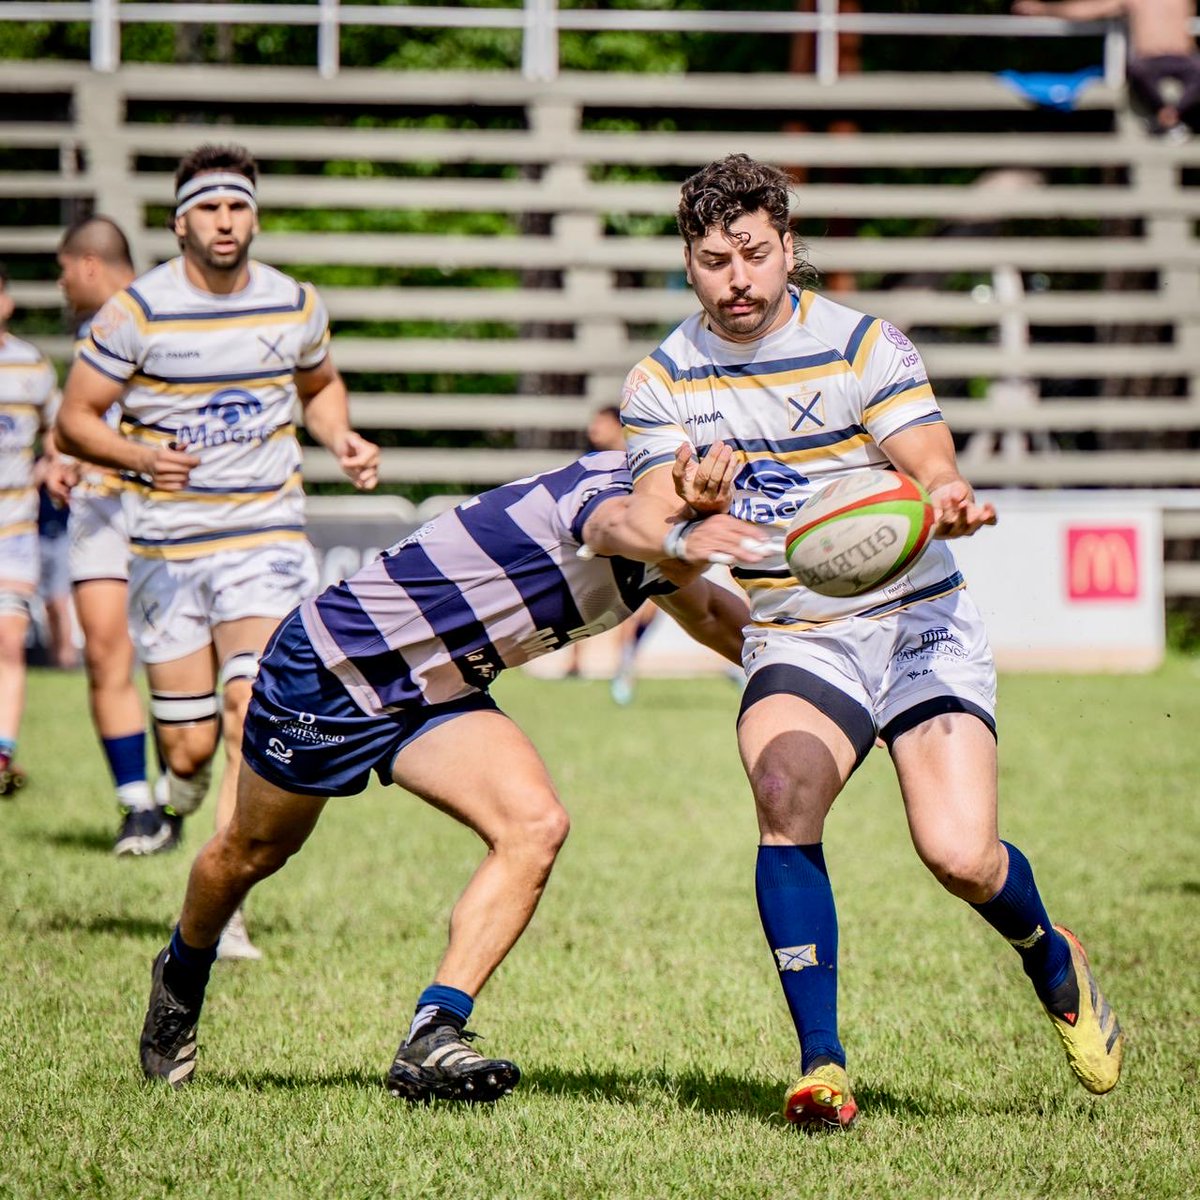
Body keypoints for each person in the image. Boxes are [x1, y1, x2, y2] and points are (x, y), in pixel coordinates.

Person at [621, 154, 1124, 1129]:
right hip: (799, 629)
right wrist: (683, 497)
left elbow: (927, 456)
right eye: (715, 260)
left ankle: (1051, 955)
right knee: (782, 789)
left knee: (960, 857)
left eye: (755, 254)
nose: (737, 279)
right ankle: (823, 1064)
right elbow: (646, 515)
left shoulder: (861, 343)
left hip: (918, 618)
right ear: (688, 263)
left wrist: (944, 489)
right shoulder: (663, 380)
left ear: (788, 247)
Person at [135, 448, 768, 1096]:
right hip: (338, 667)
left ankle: (433, 1035)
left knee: (535, 825)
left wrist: (810, 669)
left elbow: (716, 617)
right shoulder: (613, 490)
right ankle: (182, 971)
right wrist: (683, 537)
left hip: (439, 690)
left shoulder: (673, 533)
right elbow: (613, 527)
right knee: (253, 851)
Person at [56, 145, 380, 956]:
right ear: (180, 223)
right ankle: (181, 782)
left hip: (264, 538)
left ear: (255, 218)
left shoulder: (294, 303)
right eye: (209, 208)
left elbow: (319, 386)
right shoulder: (136, 312)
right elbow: (75, 420)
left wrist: (340, 436)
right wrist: (139, 458)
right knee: (191, 742)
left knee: (248, 709)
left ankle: (224, 902)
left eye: (238, 207)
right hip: (167, 550)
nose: (225, 222)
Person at [48, 216, 170, 855]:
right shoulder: (86, 332)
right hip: (98, 511)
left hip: (160, 511)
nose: (61, 283)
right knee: (104, 653)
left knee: (176, 657)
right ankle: (137, 806)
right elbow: (77, 419)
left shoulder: (164, 313)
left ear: (89, 264)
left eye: (64, 269)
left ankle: (176, 794)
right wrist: (58, 456)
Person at [0, 261, 59, 796]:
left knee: (9, 640)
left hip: (13, 527)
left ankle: (1, 755)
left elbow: (59, 432)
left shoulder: (32, 367)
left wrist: (52, 465)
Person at [1012, 0, 1200, 136]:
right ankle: (1169, 116)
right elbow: (1090, 9)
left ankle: (1169, 116)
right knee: (1138, 69)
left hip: (1183, 58)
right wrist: (1044, 9)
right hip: (1150, 60)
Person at [581, 404, 661, 705]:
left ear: (618, 425)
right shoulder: (592, 460)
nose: (593, 429)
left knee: (649, 609)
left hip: (645, 535)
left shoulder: (641, 455)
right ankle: (615, 668)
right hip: (616, 540)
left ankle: (624, 664)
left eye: (600, 422)